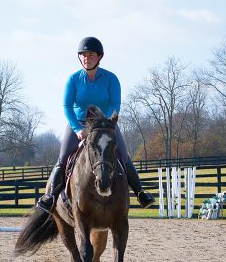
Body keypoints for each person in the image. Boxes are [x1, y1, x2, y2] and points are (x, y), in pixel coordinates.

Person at [37, 36, 155, 213]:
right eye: (83, 55)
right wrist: (77, 129)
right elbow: (67, 106)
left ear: (99, 57)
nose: (86, 58)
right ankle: (50, 196)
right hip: (79, 124)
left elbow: (115, 104)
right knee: (63, 159)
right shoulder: (73, 80)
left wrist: (104, 125)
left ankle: (140, 193)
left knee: (123, 156)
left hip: (105, 125)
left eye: (91, 54)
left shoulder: (111, 79)